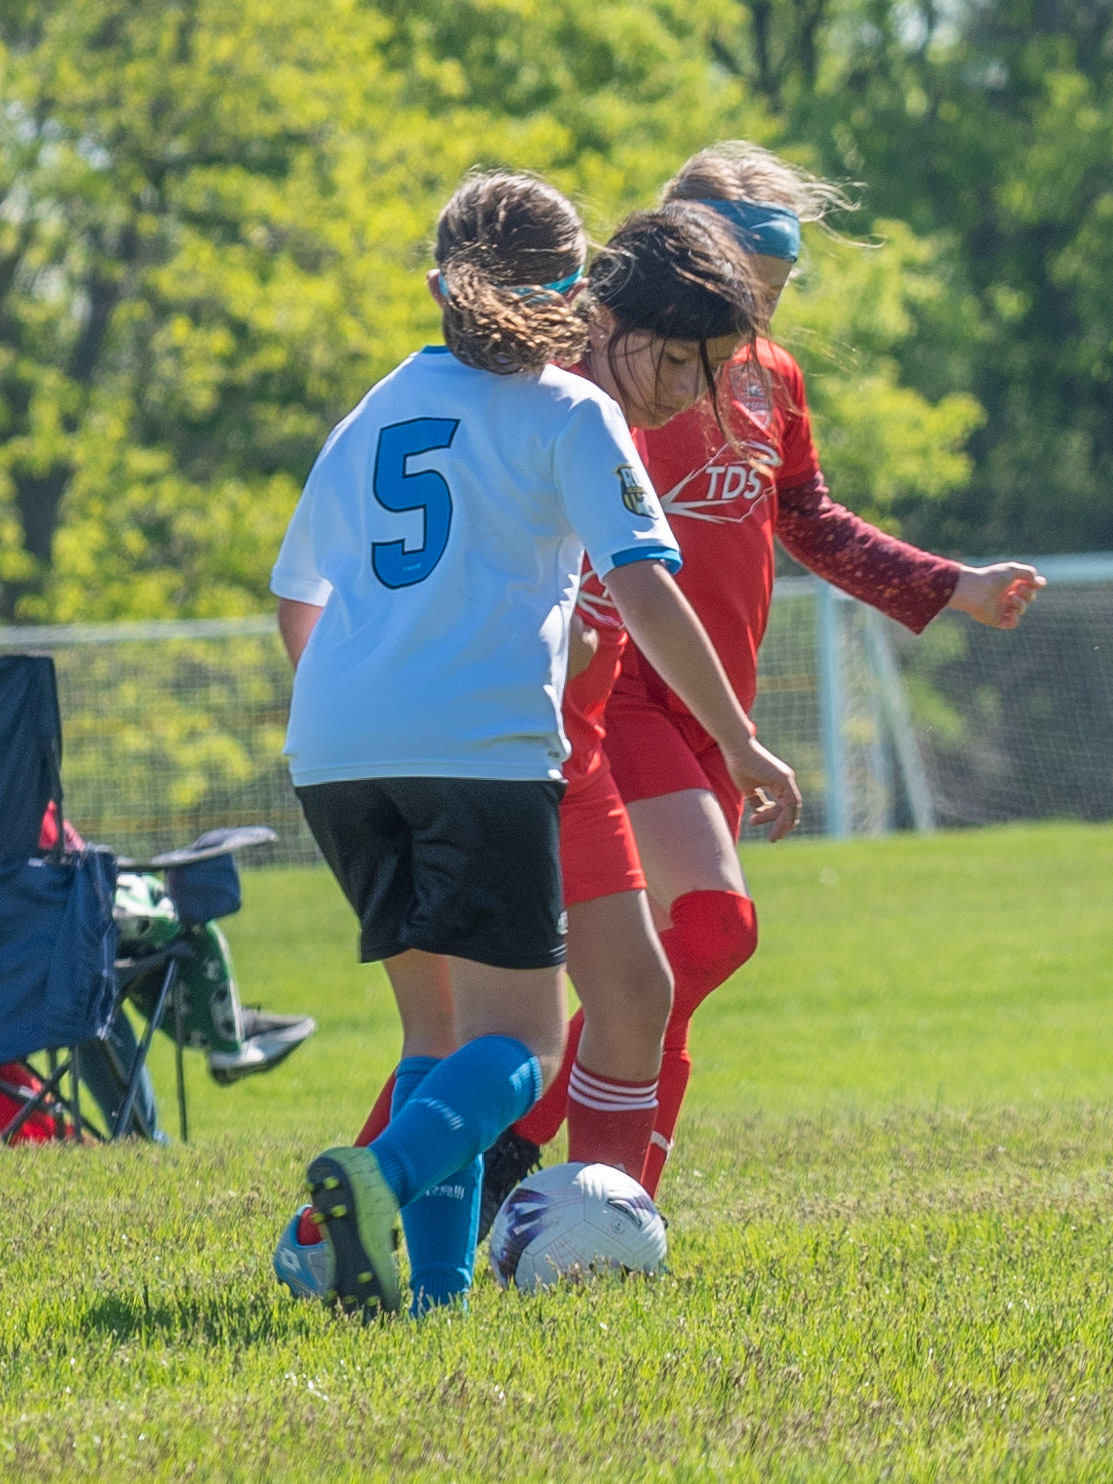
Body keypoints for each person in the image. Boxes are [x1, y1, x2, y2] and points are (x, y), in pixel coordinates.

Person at [269, 170, 795, 1319]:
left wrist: (356, 710)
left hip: (340, 747)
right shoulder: (566, 411)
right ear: (582, 300)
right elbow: (647, 594)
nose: (692, 388)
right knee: (523, 1041)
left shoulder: (382, 401)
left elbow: (295, 592)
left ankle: (439, 1294)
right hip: (489, 747)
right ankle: (354, 1194)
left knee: (439, 1032)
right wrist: (742, 740)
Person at [483, 140, 1047, 1207]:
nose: (759, 323)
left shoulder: (772, 378)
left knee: (663, 982)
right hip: (631, 685)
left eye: (778, 297)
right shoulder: (621, 368)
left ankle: (608, 1210)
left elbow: (808, 518)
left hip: (715, 702)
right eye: (751, 292)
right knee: (710, 928)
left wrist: (948, 584)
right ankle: (506, 1134)